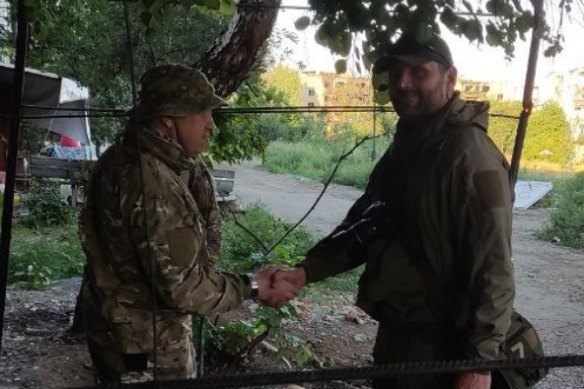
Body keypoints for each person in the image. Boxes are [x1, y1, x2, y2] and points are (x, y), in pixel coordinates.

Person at [273, 32, 516, 389]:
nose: (403, 82)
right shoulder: (410, 143)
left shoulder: (470, 155)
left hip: (442, 344)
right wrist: (305, 272)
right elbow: (367, 223)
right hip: (401, 334)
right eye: (396, 71)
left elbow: (494, 267)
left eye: (419, 72)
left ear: (449, 78)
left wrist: (479, 362)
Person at [79, 64, 292, 384]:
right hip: (148, 345)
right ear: (168, 118)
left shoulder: (121, 159)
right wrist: (253, 285)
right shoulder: (153, 183)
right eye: (202, 113)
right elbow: (184, 288)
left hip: (118, 334)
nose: (211, 125)